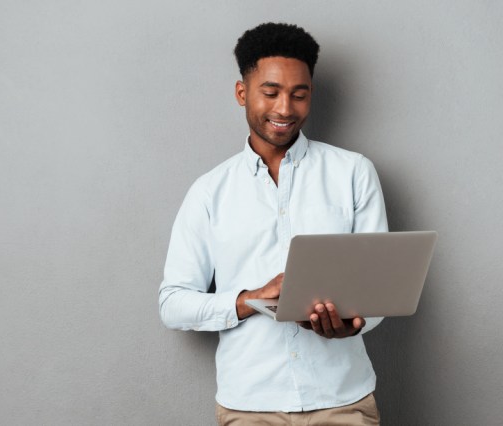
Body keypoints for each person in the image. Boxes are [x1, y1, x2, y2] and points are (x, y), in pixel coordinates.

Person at [158, 22, 387, 425]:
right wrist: (250, 299)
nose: (285, 108)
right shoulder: (209, 191)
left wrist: (351, 326)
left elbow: (380, 290)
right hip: (249, 406)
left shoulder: (354, 173)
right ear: (242, 93)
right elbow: (173, 303)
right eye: (271, 92)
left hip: (343, 400)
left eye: (299, 95)